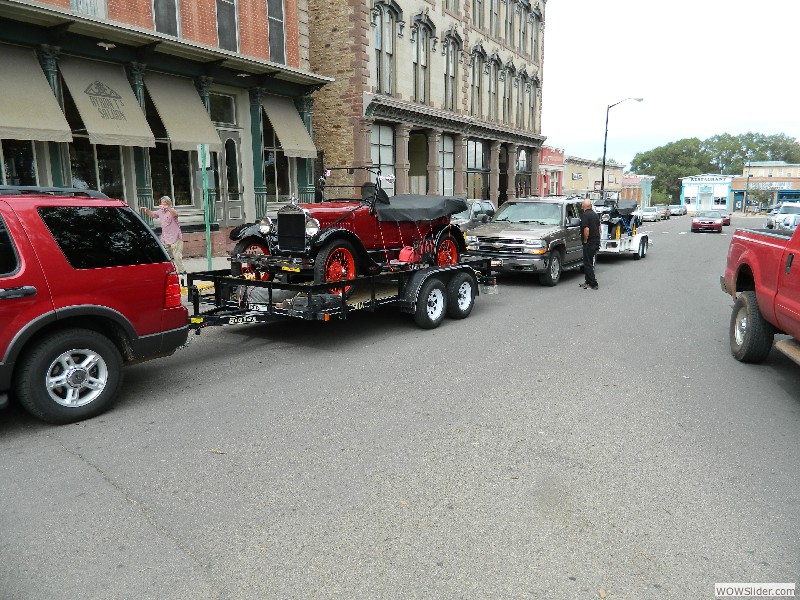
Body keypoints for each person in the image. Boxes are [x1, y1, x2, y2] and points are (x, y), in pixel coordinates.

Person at [140, 196, 185, 275]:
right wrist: (146, 210)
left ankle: (182, 271)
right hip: (165, 237)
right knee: (163, 255)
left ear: (168, 203)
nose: (163, 204)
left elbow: (175, 214)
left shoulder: (172, 210)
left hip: (175, 237)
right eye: (162, 202)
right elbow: (153, 214)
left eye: (165, 202)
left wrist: (168, 208)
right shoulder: (160, 211)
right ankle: (165, 271)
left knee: (177, 256)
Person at [579, 198, 601, 290]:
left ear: (584, 206)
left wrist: (585, 240)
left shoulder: (585, 215)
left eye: (582, 204)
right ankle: (587, 281)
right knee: (589, 262)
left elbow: (586, 229)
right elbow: (600, 229)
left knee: (587, 263)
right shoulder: (595, 215)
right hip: (596, 241)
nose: (581, 205)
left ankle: (593, 283)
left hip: (589, 242)